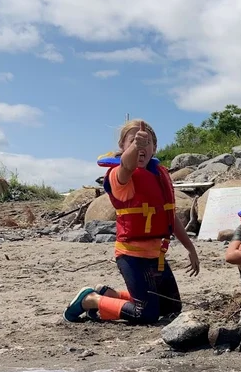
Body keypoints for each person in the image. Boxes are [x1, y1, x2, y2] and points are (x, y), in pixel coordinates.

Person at [63, 119, 200, 324]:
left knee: (171, 307)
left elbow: (169, 217)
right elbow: (127, 166)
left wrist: (190, 248)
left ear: (155, 148)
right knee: (145, 313)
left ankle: (109, 295)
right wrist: (137, 145)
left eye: (147, 143)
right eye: (134, 141)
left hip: (157, 255)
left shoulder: (158, 175)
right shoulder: (120, 177)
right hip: (132, 256)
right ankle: (91, 300)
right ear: (122, 146)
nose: (141, 146)